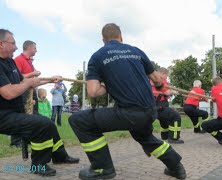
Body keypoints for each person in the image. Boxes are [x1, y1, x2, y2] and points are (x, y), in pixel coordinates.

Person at [68, 23, 186, 180]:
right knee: (145, 138)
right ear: (121, 37)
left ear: (103, 40)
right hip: (151, 111)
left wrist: (108, 83)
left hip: (130, 112)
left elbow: (93, 92)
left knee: (79, 120)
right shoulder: (137, 51)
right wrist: (159, 85)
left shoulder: (97, 56)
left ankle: (102, 168)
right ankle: (176, 167)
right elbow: (157, 79)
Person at [0, 29, 79, 177]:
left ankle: (59, 156)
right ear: (1, 44)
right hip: (3, 116)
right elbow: (8, 93)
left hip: (15, 112)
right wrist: (29, 82)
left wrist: (50, 80)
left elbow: (23, 81)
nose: (16, 47)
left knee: (48, 124)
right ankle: (38, 166)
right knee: (42, 124)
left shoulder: (9, 62)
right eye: (13, 43)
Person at [11, 40, 40, 147]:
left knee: (33, 115)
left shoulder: (29, 62)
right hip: (23, 92)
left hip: (31, 91)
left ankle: (28, 138)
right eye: (35, 48)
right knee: (21, 114)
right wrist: (33, 73)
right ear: (29, 48)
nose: (36, 51)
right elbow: (17, 77)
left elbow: (33, 79)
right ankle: (16, 140)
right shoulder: (18, 60)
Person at [151, 67, 184, 144]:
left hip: (153, 106)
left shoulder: (151, 80)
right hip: (160, 106)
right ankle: (174, 138)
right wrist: (174, 92)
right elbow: (167, 93)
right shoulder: (161, 80)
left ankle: (165, 136)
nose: (166, 78)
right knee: (176, 116)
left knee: (164, 119)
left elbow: (162, 93)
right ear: (163, 74)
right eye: (167, 76)